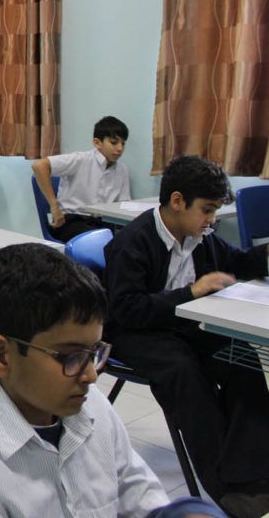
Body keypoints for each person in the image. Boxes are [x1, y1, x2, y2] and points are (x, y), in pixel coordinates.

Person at [0, 243, 227, 518]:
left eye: (94, 352)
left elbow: (139, 495)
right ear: (0, 355)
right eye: (70, 356)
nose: (91, 375)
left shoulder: (92, 407)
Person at [104, 155, 269, 517]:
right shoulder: (133, 241)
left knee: (240, 357)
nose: (211, 220)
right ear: (177, 201)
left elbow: (239, 263)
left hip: (182, 323)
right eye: (206, 210)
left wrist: (266, 255)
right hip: (137, 330)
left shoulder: (200, 237)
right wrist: (192, 292)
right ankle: (227, 489)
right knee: (184, 373)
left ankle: (254, 473)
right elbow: (127, 309)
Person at [31, 115, 130, 242]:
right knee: (101, 242)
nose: (120, 148)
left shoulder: (122, 170)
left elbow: (123, 204)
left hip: (103, 223)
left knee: (132, 240)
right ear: (97, 143)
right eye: (113, 142)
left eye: (123, 143)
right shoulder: (80, 160)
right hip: (73, 221)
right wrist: (54, 205)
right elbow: (39, 166)